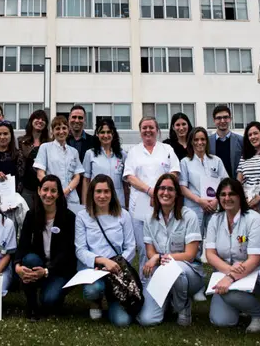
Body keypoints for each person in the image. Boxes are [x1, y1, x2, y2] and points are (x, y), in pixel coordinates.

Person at [137, 174, 203, 327]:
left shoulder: (189, 216)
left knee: (175, 269)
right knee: (148, 320)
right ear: (156, 192)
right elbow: (150, 252)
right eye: (162, 188)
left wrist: (160, 258)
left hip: (188, 272)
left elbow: (190, 255)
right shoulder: (149, 218)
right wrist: (157, 259)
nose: (165, 193)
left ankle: (182, 305)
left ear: (177, 194)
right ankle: (168, 301)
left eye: (170, 189)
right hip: (160, 272)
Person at [205, 178, 260, 333]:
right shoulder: (215, 219)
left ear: (240, 196)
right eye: (223, 194)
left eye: (232, 194)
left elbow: (255, 258)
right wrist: (229, 270)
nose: (227, 198)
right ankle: (241, 306)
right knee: (221, 321)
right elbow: (210, 254)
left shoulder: (255, 220)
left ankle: (259, 313)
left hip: (255, 272)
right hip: (228, 271)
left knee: (229, 292)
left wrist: (230, 277)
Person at [75, 175, 135, 326]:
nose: (102, 196)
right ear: (92, 194)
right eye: (98, 191)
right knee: (93, 290)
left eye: (106, 191)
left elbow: (131, 246)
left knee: (123, 322)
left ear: (112, 193)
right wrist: (102, 261)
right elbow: (80, 250)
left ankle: (113, 297)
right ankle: (96, 301)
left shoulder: (124, 215)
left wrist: (117, 265)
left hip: (117, 270)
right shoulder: (82, 216)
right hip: (94, 268)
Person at [123, 116, 180, 277]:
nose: (148, 130)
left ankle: (167, 279)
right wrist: (150, 191)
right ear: (140, 131)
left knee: (165, 243)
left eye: (151, 127)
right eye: (144, 128)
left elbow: (174, 172)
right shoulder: (134, 152)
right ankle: (144, 280)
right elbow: (129, 177)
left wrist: (161, 191)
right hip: (140, 205)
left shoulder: (167, 149)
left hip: (165, 203)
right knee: (143, 246)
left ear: (157, 130)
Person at [14, 175, 77, 321]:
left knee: (49, 301)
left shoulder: (69, 218)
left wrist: (47, 271)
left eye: (53, 191)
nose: (48, 194)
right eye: (45, 190)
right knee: (29, 259)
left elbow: (68, 253)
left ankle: (53, 294)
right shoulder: (31, 215)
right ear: (38, 190)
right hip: (39, 264)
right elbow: (22, 245)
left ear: (59, 194)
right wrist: (17, 266)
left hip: (61, 269)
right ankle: (32, 307)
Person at [179, 126, 228, 234]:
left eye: (202, 139)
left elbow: (225, 183)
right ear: (191, 142)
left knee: (215, 238)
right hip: (194, 208)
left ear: (207, 141)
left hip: (214, 206)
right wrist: (200, 201)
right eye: (196, 140)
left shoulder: (216, 160)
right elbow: (182, 187)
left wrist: (216, 200)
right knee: (195, 241)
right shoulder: (185, 162)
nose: (199, 142)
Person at [33, 116, 84, 213]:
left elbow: (77, 176)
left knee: (71, 225)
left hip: (71, 197)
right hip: (51, 197)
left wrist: (66, 191)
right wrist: (53, 191)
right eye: (57, 128)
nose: (61, 131)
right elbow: (40, 174)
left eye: (64, 128)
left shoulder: (74, 152)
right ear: (52, 131)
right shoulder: (45, 148)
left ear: (68, 130)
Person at [81, 117, 129, 209]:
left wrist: (127, 205)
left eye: (109, 132)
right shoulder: (90, 154)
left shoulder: (122, 155)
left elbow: (125, 184)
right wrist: (85, 205)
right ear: (97, 135)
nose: (105, 135)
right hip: (96, 202)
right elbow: (86, 181)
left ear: (113, 134)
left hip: (118, 203)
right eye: (102, 132)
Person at [237, 121, 260, 211]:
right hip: (247, 202)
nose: (252, 137)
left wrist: (259, 197)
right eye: (250, 135)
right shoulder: (244, 157)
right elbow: (238, 182)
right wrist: (244, 199)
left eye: (255, 133)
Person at [18, 110, 50, 208]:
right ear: (31, 121)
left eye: (43, 119)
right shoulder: (21, 141)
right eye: (37, 118)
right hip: (26, 187)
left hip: (43, 188)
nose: (40, 121)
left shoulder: (49, 143)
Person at [208, 104, 244, 178]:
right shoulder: (207, 142)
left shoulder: (241, 141)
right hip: (214, 184)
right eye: (219, 118)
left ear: (230, 119)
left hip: (235, 184)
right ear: (214, 120)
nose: (222, 121)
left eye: (225, 117)